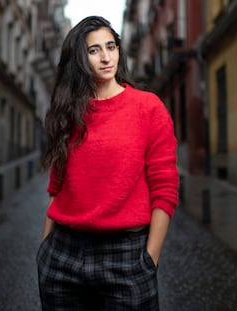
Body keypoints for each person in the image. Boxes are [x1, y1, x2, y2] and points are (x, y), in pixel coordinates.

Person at [37, 16, 179, 310]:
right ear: (80, 59)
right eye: (93, 50)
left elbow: (165, 189)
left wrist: (149, 260)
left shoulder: (148, 107)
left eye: (111, 46)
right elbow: (57, 186)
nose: (105, 57)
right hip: (63, 253)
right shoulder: (68, 111)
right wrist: (45, 248)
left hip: (126, 256)